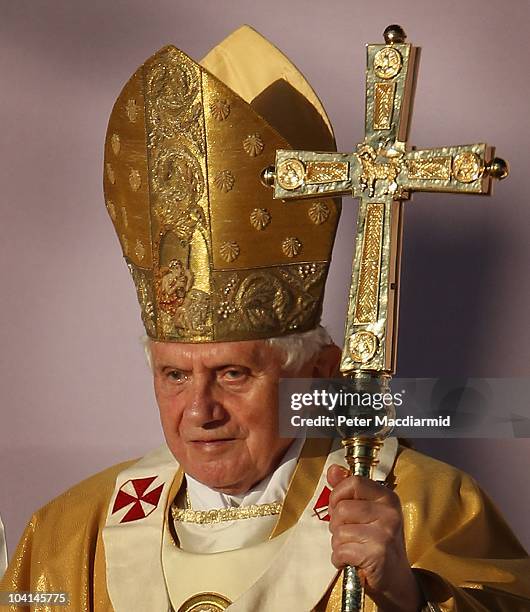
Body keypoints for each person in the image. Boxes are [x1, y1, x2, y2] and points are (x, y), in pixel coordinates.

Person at [2, 26, 530, 612]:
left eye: (233, 374)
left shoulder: (424, 506)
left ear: (322, 374)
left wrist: (408, 594)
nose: (200, 413)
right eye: (175, 375)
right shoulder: (70, 534)